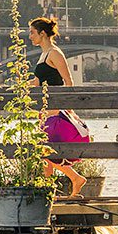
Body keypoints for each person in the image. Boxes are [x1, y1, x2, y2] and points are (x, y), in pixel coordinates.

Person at [27, 16, 88, 198]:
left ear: (43, 33)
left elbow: (68, 81)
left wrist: (67, 106)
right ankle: (49, 191)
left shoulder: (55, 53)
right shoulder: (43, 55)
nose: (29, 36)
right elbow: (37, 82)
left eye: (32, 32)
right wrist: (18, 86)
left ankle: (72, 179)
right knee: (43, 152)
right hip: (45, 111)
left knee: (44, 151)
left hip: (55, 110)